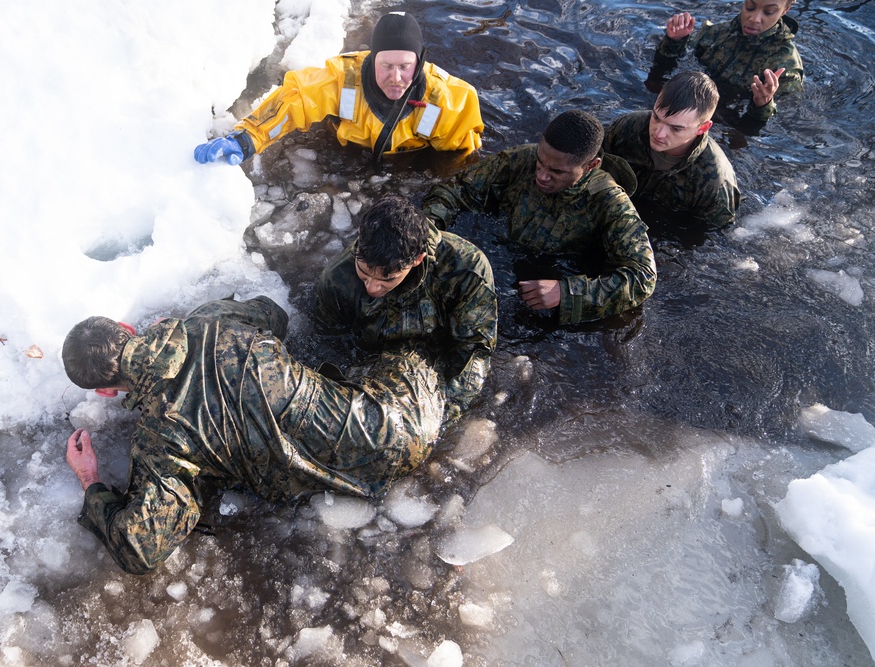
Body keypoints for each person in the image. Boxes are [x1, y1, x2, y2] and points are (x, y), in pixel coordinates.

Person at [62, 296, 444, 574]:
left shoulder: (159, 440)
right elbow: (274, 314)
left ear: (106, 391)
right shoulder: (210, 318)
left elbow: (140, 549)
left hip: (379, 467)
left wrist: (90, 480)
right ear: (127, 329)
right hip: (410, 406)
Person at [421, 110, 657, 325]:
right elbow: (455, 190)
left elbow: (642, 277)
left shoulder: (610, 203)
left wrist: (566, 293)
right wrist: (427, 233)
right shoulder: (521, 160)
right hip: (502, 255)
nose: (542, 176)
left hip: (557, 278)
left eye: (556, 172)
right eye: (540, 162)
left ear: (590, 166)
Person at [193, 12, 483, 165]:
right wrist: (247, 138)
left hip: (408, 163)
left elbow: (459, 159)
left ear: (419, 62)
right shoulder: (342, 79)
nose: (395, 77)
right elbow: (294, 101)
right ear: (372, 57)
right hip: (345, 151)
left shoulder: (449, 100)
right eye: (386, 65)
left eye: (405, 66)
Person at [314, 194, 497, 425]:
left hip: (438, 357)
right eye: (364, 272)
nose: (371, 287)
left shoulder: (465, 269)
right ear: (360, 237)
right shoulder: (336, 278)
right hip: (374, 362)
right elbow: (328, 341)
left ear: (417, 260)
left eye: (387, 279)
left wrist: (446, 413)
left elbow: (473, 351)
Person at [603, 71, 741, 233]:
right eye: (656, 118)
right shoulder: (627, 128)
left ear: (703, 128)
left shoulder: (716, 180)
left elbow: (711, 234)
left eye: (676, 128)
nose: (658, 134)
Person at [650, 0, 804, 126]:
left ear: (786, 9)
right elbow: (663, 70)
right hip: (687, 108)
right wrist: (675, 41)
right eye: (750, 7)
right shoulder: (716, 33)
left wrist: (763, 104)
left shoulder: (786, 66)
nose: (754, 18)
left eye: (769, 12)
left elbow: (773, 124)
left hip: (727, 122)